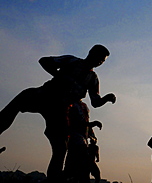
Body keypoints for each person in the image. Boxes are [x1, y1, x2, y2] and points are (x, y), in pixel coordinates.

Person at [0, 44, 116, 182]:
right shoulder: (72, 61)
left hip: (60, 109)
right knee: (19, 101)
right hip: (45, 95)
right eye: (99, 58)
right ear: (91, 53)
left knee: (61, 148)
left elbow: (95, 101)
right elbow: (44, 61)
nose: (99, 62)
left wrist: (106, 99)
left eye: (102, 61)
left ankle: (53, 179)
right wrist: (59, 76)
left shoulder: (92, 78)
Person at [64, 100, 102, 183]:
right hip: (75, 140)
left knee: (84, 170)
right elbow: (75, 123)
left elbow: (86, 123)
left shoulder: (84, 106)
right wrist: (91, 125)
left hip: (84, 142)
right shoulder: (71, 105)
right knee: (74, 168)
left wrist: (91, 135)